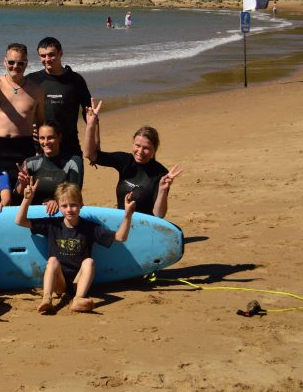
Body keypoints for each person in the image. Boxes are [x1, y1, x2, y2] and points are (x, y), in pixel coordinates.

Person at [16, 182, 135, 313]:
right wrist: (27, 199)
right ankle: (47, 298)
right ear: (59, 207)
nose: (69, 209)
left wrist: (128, 215)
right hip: (59, 283)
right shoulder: (52, 225)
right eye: (64, 206)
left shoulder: (90, 228)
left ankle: (78, 299)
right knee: (52, 261)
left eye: (73, 205)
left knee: (89, 262)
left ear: (81, 204)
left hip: (79, 282)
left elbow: (120, 237)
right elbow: (20, 221)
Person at [83, 100, 183, 218]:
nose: (140, 151)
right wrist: (91, 125)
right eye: (137, 146)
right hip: (122, 223)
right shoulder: (125, 161)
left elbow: (159, 215)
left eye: (146, 148)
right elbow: (91, 155)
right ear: (133, 143)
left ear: (154, 150)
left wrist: (162, 190)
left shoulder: (161, 174)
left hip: (143, 226)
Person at [0, 43, 44, 188]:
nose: (15, 66)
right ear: (5, 62)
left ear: (26, 64)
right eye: (11, 62)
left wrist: (40, 149)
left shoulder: (36, 91)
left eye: (20, 63)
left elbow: (42, 123)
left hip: (25, 147)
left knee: (23, 190)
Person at [26, 37, 92, 159]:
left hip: (70, 147)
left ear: (61, 53)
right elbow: (20, 108)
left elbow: (89, 115)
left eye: (51, 55)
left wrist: (94, 146)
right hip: (39, 148)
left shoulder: (75, 80)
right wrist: (28, 127)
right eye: (43, 56)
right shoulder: (31, 80)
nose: (47, 59)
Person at [15, 122, 84, 209]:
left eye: (50, 137)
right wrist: (23, 185)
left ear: (59, 137)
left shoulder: (73, 162)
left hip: (64, 211)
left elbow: (75, 193)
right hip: (35, 213)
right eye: (42, 138)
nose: (46, 142)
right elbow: (17, 195)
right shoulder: (29, 163)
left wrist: (57, 201)